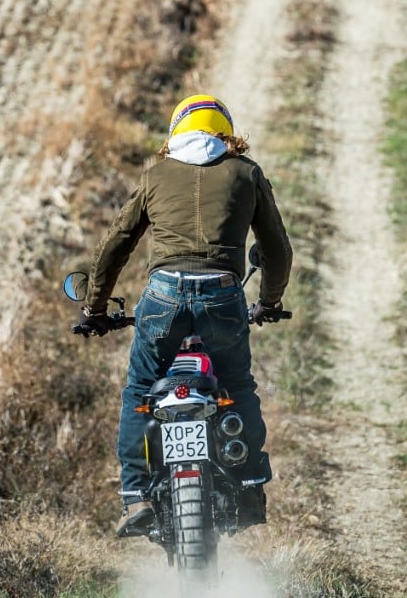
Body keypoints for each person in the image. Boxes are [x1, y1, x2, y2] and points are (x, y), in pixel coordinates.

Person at [78, 93, 293, 538]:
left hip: (163, 298)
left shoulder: (156, 176)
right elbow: (276, 249)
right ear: (226, 133)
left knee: (139, 392)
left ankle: (136, 496)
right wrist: (269, 302)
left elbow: (118, 242)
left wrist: (96, 307)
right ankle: (250, 483)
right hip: (222, 297)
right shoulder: (246, 173)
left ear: (175, 132)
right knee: (238, 387)